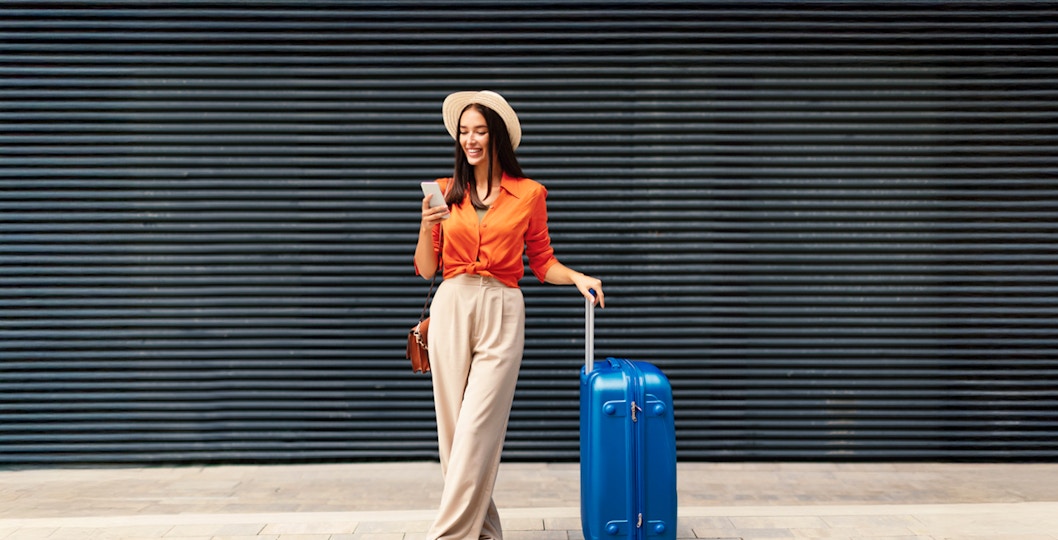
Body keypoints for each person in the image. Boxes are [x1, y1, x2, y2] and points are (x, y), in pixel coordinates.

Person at [413, 90, 604, 540]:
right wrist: (426, 225)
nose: (470, 140)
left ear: (497, 136)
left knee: (479, 429)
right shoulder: (443, 192)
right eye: (463, 132)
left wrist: (576, 277)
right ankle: (485, 533)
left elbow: (542, 261)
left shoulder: (529, 194)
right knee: (454, 434)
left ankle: (446, 535)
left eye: (479, 131)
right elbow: (425, 269)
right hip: (452, 303)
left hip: (503, 306)